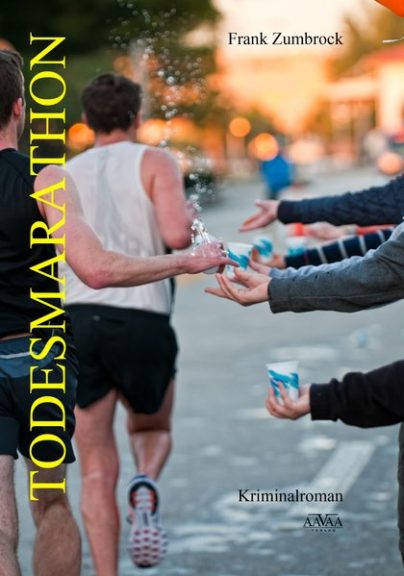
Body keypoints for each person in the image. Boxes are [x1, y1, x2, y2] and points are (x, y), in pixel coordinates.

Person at [0, 50, 232, 576]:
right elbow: (99, 267)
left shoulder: (69, 168)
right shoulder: (45, 178)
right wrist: (187, 259)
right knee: (52, 500)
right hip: (46, 357)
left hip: (71, 330)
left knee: (18, 513)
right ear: (18, 108)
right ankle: (143, 487)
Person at [62, 72, 214, 573]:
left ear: (86, 120)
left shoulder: (64, 173)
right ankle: (145, 480)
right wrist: (187, 213)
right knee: (151, 424)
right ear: (137, 116)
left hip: (79, 319)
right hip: (143, 316)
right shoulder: (155, 161)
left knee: (95, 468)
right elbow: (177, 235)